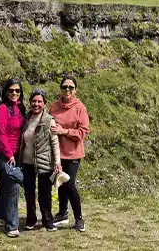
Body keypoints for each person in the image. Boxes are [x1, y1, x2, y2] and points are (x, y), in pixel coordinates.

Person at [49, 76, 90, 232]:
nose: (67, 90)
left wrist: (63, 131)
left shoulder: (80, 107)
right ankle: (62, 213)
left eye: (71, 87)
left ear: (75, 90)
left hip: (73, 153)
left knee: (70, 184)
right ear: (60, 88)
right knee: (60, 183)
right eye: (65, 87)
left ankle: (79, 218)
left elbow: (83, 132)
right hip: (57, 153)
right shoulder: (54, 106)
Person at [20, 88, 61, 232]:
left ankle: (47, 220)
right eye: (34, 101)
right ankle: (31, 219)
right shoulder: (25, 118)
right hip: (26, 162)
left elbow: (54, 142)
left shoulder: (49, 120)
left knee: (45, 193)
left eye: (39, 101)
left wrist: (57, 162)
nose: (36, 104)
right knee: (29, 193)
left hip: (44, 162)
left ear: (44, 104)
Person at [0, 78, 26, 238]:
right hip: (4, 154)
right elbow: (0, 134)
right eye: (11, 90)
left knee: (5, 182)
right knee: (13, 185)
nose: (14, 93)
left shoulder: (20, 108)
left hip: (18, 153)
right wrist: (9, 154)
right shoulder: (2, 109)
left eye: (17, 91)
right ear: (6, 92)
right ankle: (12, 224)